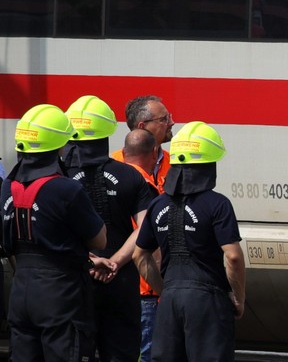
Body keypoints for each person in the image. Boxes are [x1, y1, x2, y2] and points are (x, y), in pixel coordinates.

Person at [133, 121, 246, 362]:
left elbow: (139, 255)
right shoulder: (218, 204)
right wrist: (238, 298)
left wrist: (167, 290)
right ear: (208, 165)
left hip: (169, 303)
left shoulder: (158, 204)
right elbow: (233, 256)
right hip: (208, 302)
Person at [3, 104, 108, 362]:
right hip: (60, 293)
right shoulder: (66, 189)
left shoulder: (7, 188)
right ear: (60, 146)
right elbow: (100, 239)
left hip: (20, 292)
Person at [62, 96, 157, 362]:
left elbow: (55, 231)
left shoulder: (60, 178)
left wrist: (90, 260)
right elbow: (145, 226)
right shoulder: (130, 175)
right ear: (107, 130)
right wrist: (114, 262)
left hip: (74, 283)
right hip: (121, 283)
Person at [114, 95, 175, 361]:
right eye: (164, 119)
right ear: (142, 125)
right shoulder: (115, 168)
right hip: (136, 289)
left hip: (166, 286)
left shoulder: (175, 164)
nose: (171, 122)